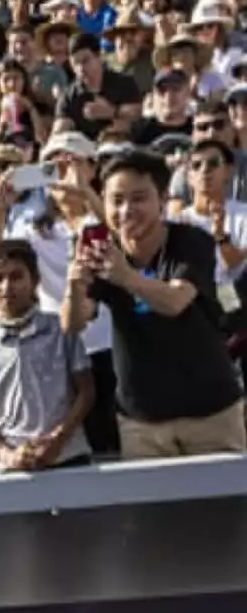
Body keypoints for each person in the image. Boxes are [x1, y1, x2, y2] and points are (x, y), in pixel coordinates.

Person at [61, 148, 246, 457]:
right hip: (141, 419)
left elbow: (175, 301)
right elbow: (74, 322)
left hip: (210, 411)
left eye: (138, 198)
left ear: (162, 198)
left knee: (223, 491)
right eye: (116, 200)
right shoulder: (103, 250)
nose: (126, 210)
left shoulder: (191, 241)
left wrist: (125, 276)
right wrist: (74, 286)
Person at [0, 240, 95, 472]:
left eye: (16, 277)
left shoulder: (60, 330)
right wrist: (5, 453)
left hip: (68, 456)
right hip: (15, 463)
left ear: (35, 280)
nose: (7, 287)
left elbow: (86, 392)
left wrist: (59, 438)